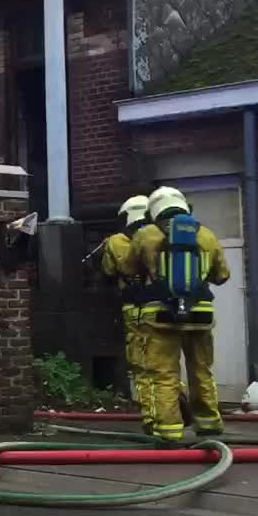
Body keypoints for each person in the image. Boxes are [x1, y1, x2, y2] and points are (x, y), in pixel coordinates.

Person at [127, 185, 230, 442]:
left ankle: (169, 430)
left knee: (164, 373)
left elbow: (129, 269)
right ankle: (209, 423)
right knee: (202, 369)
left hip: (161, 315)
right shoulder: (207, 235)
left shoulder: (146, 234)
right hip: (201, 315)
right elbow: (222, 276)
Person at [101, 195, 153, 434]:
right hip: (164, 307)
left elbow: (109, 271)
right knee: (166, 365)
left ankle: (151, 416)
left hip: (135, 309)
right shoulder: (161, 236)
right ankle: (175, 407)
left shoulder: (116, 241)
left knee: (141, 365)